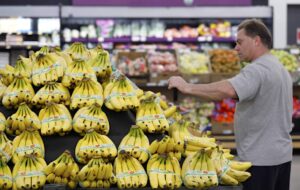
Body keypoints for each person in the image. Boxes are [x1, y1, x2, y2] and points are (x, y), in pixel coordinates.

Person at [168, 19, 293, 190]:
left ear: (256, 40)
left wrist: (186, 87)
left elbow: (227, 90)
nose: (236, 48)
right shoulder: (279, 67)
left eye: (240, 42)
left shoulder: (257, 70)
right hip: (282, 156)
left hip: (260, 159)